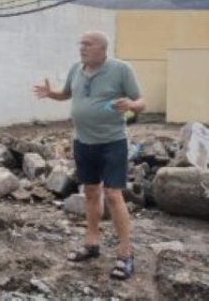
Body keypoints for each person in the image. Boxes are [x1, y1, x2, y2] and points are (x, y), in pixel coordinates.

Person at [33, 31, 145, 281]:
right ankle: (92, 243)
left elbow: (141, 102)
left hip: (113, 142)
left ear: (102, 49)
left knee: (114, 195)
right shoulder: (76, 69)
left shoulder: (121, 69)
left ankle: (125, 253)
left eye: (87, 44)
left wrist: (131, 105)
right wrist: (51, 94)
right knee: (91, 192)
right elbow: (67, 94)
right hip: (83, 142)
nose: (82, 48)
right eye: (80, 43)